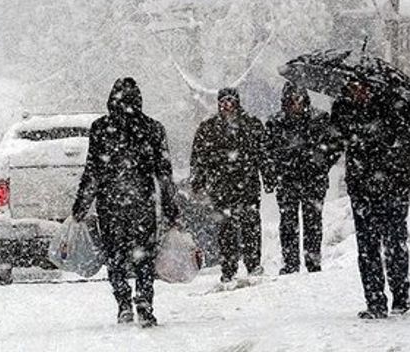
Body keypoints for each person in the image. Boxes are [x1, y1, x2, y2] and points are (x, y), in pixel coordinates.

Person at [72, 77, 180, 327]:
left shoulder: (100, 128)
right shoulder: (153, 128)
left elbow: (93, 171)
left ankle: (123, 302)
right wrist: (171, 209)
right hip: (142, 202)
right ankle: (144, 300)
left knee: (116, 255)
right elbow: (164, 174)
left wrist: (81, 205)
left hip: (111, 203)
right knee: (144, 255)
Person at [330, 80, 410, 319]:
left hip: (393, 186)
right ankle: (375, 301)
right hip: (362, 189)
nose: (358, 92)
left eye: (362, 87)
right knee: (367, 248)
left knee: (394, 244)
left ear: (372, 87)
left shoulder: (394, 107)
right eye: (352, 87)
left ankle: (400, 296)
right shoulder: (344, 110)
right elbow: (332, 144)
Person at [190, 87, 266, 285]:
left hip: (247, 184)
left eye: (231, 101)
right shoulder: (208, 128)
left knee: (251, 227)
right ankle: (229, 267)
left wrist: (268, 177)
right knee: (226, 230)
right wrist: (198, 181)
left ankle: (253, 263)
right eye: (224, 101)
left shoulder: (251, 124)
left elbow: (263, 154)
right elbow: (199, 157)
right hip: (221, 186)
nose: (227, 105)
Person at [264, 82, 336, 274]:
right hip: (287, 180)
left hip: (313, 180)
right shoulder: (275, 123)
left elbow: (333, 147)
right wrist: (275, 173)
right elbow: (268, 152)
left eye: (298, 98)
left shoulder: (319, 119)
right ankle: (291, 262)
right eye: (291, 99)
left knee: (313, 222)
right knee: (288, 222)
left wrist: (321, 165)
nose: (295, 103)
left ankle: (312, 261)